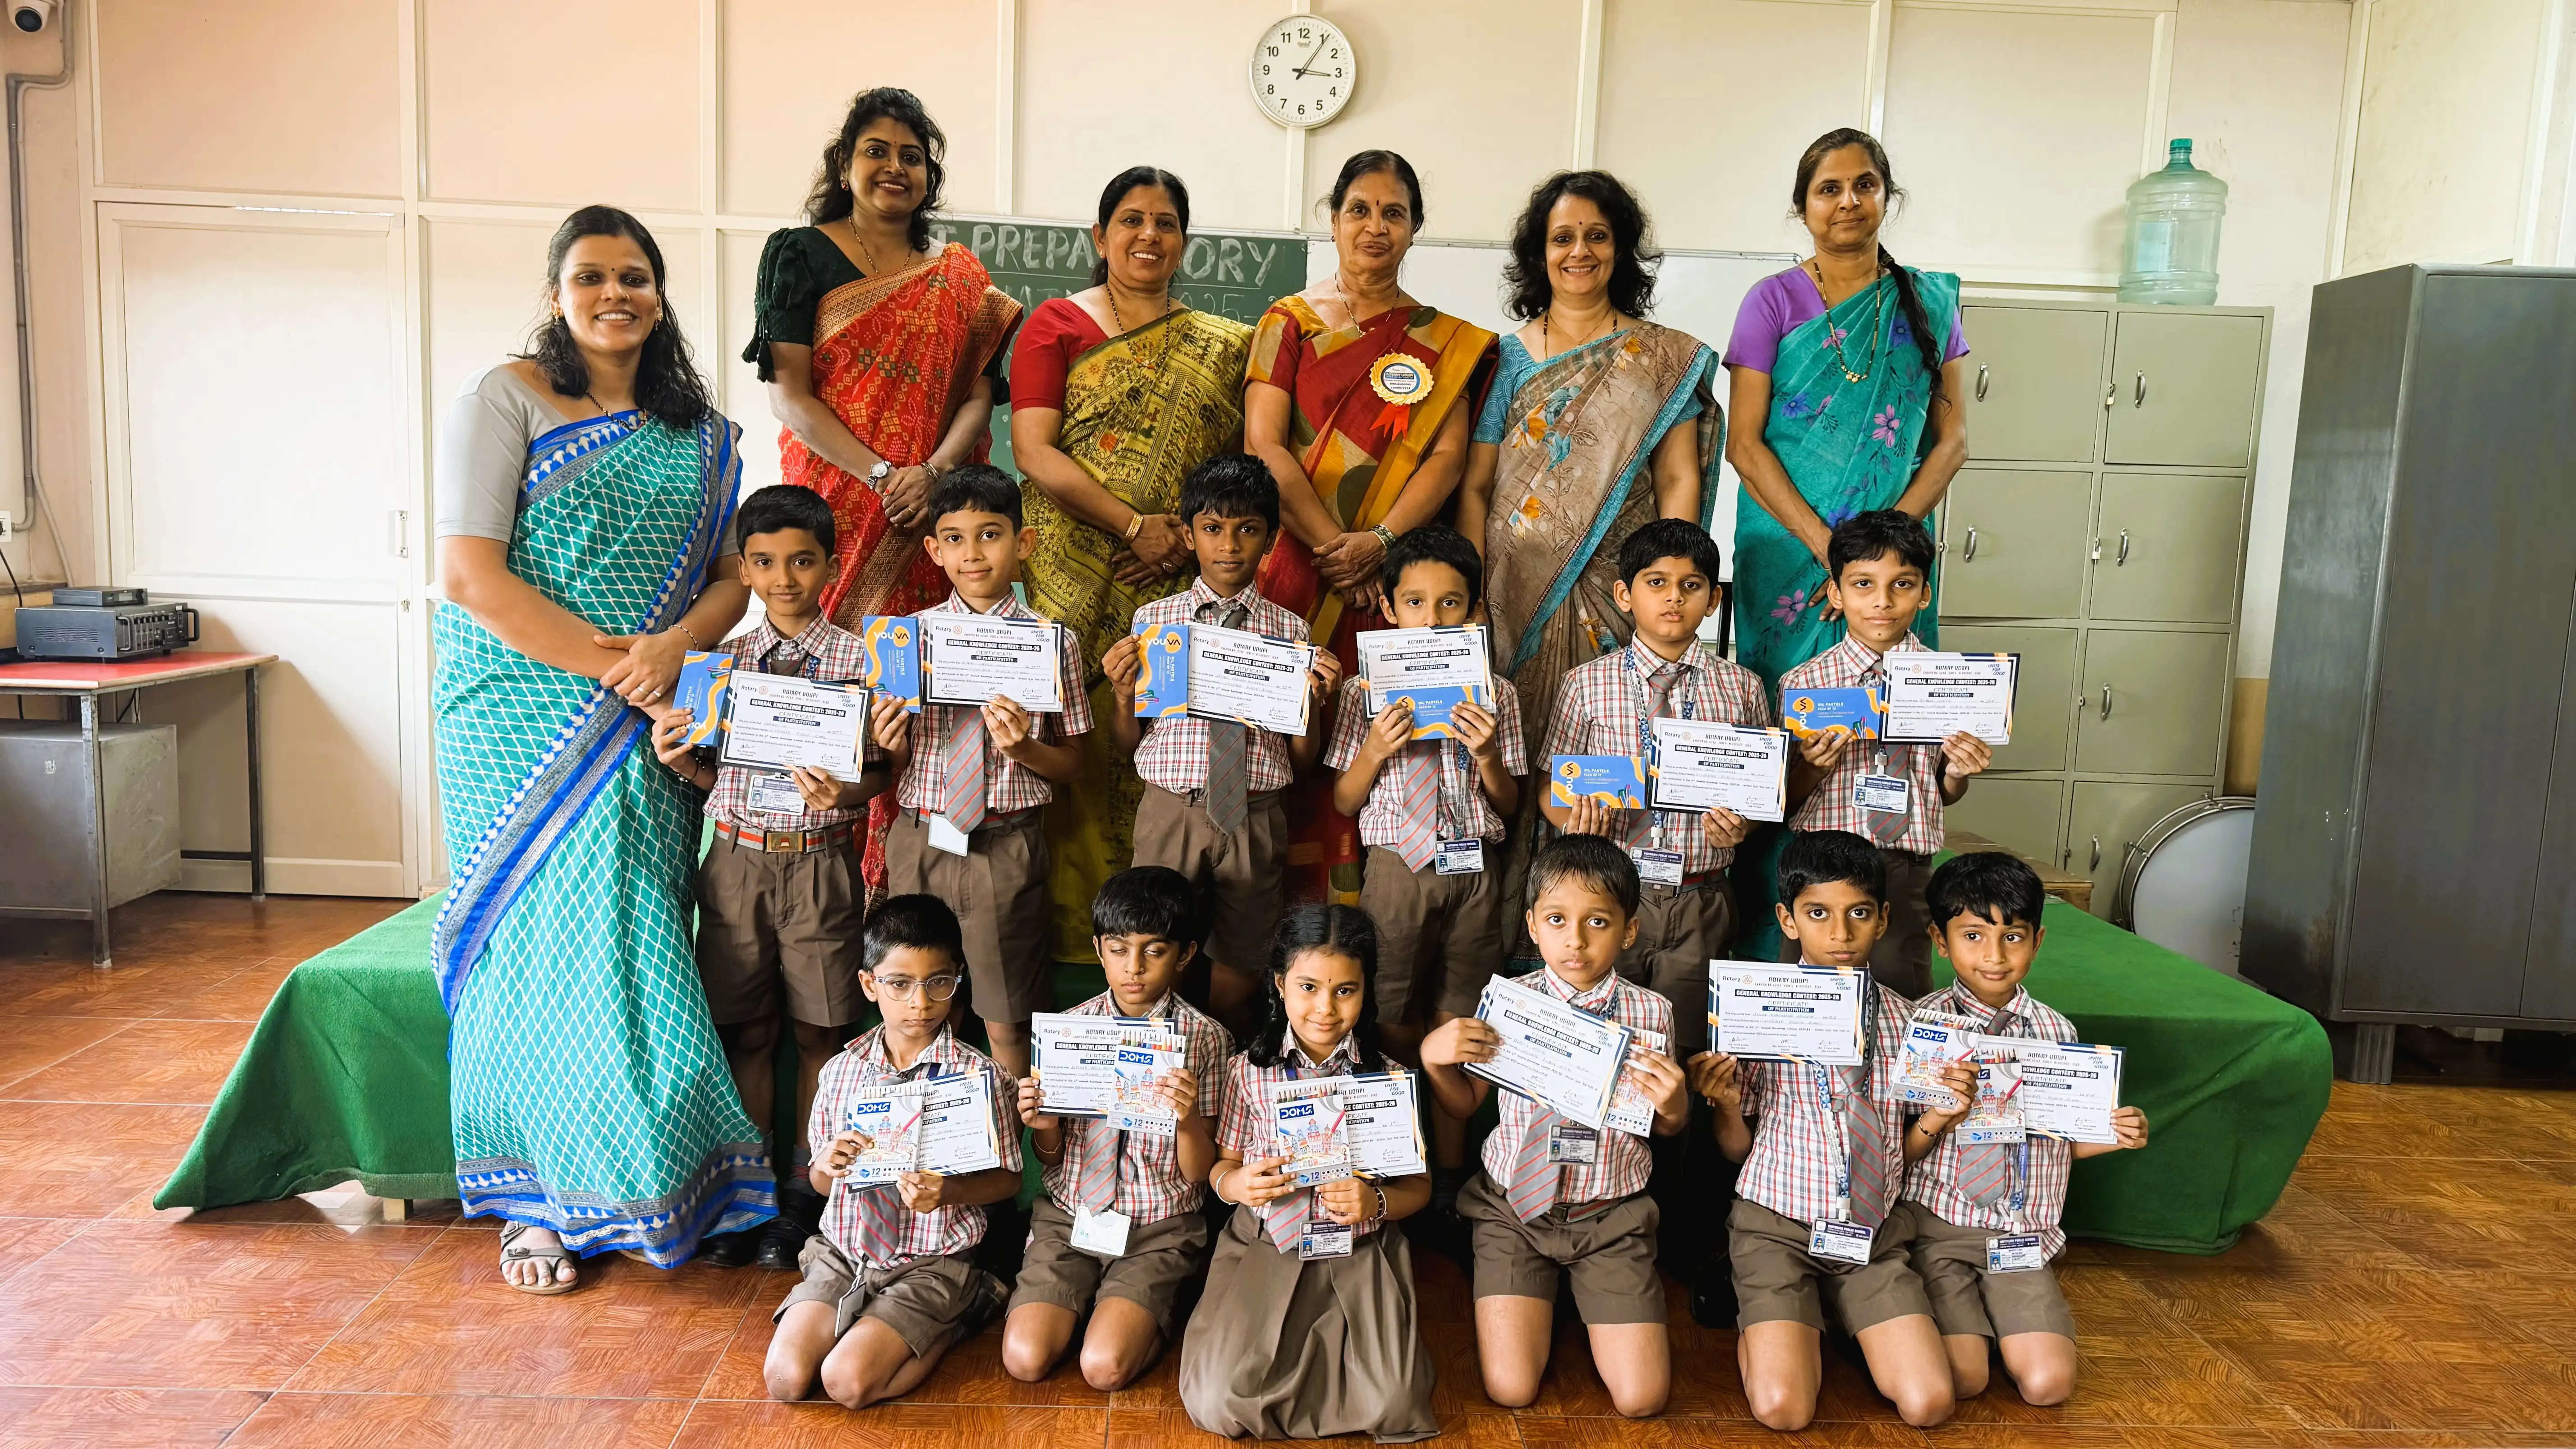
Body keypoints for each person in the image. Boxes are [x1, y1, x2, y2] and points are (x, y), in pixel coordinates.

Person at [432, 205, 769, 1292]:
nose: (614, 293)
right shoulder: (508, 397)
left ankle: (658, 1174)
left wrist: (670, 651)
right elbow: (472, 576)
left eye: (635, 276)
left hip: (655, 700)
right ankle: (535, 1202)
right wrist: (612, 667)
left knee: (631, 932)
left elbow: (733, 576)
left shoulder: (703, 433)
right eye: (591, 277)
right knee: (538, 945)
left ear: (661, 295)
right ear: (556, 294)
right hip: (518, 709)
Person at [744, 86, 1024, 899]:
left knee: (922, 694)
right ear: (845, 162)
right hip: (835, 509)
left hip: (929, 519)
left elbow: (979, 394)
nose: (894, 168)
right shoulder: (798, 253)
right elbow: (790, 392)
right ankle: (823, 880)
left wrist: (931, 475)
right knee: (830, 684)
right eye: (877, 150)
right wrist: (877, 474)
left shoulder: (958, 275)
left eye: (912, 155)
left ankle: (915, 884)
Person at [1013, 168, 1256, 967]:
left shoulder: (1225, 342)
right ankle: (1079, 943)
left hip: (1180, 575)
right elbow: (1033, 449)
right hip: (1077, 573)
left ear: (1184, 240)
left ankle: (1167, 938)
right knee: (1080, 725)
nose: (1147, 235)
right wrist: (1131, 524)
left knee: (1166, 720)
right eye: (1129, 220)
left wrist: (1182, 538)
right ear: (1100, 237)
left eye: (1164, 222)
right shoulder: (1055, 323)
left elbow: (1232, 469)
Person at [1246, 149, 1499, 905]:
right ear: (1332, 220)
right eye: (1359, 208)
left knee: (1383, 746)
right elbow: (1264, 445)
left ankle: (1365, 922)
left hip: (1391, 593)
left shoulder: (1442, 342)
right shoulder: (1285, 322)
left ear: (1416, 227)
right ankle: (1279, 951)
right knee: (1288, 740)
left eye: (1393, 212)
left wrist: (1379, 545)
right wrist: (1334, 547)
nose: (1375, 226)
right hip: (1295, 573)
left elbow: (1448, 458)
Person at [650, 483, 888, 1272]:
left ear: (827, 564)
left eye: (800, 561)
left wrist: (845, 791)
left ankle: (806, 1191)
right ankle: (747, 1193)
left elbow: (877, 772)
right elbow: (707, 770)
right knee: (745, 1029)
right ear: (745, 570)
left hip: (821, 863)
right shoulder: (717, 666)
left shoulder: (861, 659)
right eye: (763, 562)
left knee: (823, 1031)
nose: (783, 578)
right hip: (737, 864)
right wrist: (682, 761)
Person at [1455, 169, 1721, 791]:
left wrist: (1662, 583)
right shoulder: (1505, 357)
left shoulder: (1661, 359)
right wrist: (1472, 594)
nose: (1579, 252)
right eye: (1563, 238)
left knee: (1612, 748)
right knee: (1508, 753)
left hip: (1619, 592)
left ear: (1621, 249)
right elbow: (1474, 486)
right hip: (1514, 593)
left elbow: (1679, 475)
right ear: (1539, 253)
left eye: (1597, 236)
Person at [1691, 830, 1963, 1431]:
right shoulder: (1757, 1012)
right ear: (1788, 921)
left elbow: (1907, 1148)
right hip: (1777, 1229)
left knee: (1929, 1402)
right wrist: (1728, 1105)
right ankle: (1772, 1308)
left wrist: (1941, 1118)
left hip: (1869, 1235)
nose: (1840, 934)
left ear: (1884, 919)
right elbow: (1737, 1150)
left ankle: (1835, 1308)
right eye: (1819, 914)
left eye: (1858, 914)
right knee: (1783, 1409)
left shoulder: (1909, 1022)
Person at [1420, 835, 1688, 1418]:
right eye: (1558, 920)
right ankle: (1543, 1292)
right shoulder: (1510, 1002)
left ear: (1630, 930)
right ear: (1533, 926)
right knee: (1511, 1388)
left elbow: (1664, 1128)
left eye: (1598, 921)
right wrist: (1435, 1059)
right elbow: (1464, 1105)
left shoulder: (1652, 1014)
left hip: (1610, 1216)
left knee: (1642, 1399)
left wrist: (1675, 1104)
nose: (1576, 939)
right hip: (1514, 1211)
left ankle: (1583, 1290)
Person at [1894, 851, 2151, 1407]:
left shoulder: (2057, 1031)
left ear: (2038, 940)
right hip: (1941, 1230)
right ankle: (1966, 1324)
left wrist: (2112, 1134)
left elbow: (2056, 1143)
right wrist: (1941, 1114)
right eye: (1973, 936)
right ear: (1941, 941)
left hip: (2019, 1238)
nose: (1994, 955)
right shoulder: (1923, 1025)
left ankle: (1999, 1319)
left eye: (2013, 937)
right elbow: (1900, 1152)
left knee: (2048, 1385)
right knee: (1965, 1380)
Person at [1178, 905, 1439, 1443]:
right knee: (1218, 1399)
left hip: (1359, 1250)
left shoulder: (1388, 1078)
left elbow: (1420, 1188)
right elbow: (1221, 1169)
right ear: (1280, 984)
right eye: (1309, 987)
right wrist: (1237, 1184)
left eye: (1345, 990)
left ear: (1366, 990)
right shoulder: (1248, 1072)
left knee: (1393, 1402)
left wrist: (1377, 1204)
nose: (1325, 1008)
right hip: (1267, 1242)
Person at [1104, 456, 1343, 1037]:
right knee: (1157, 970)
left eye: (1247, 529)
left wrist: (1312, 705)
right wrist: (1120, 693)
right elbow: (1128, 741)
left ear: (1270, 539)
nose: (1229, 545)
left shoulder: (1290, 633)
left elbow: (1301, 758)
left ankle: (1224, 1092)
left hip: (1255, 816)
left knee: (1240, 976)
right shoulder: (1155, 623)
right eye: (1212, 529)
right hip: (1171, 810)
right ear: (1189, 535)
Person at [1725, 127, 1969, 695]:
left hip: (1893, 553)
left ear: (1888, 196)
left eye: (1866, 185)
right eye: (1829, 189)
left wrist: (1882, 550)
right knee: (1786, 705)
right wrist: (1826, 546)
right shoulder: (1772, 301)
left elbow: (1952, 443)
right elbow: (1744, 444)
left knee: (1894, 704)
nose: (1848, 201)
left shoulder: (1930, 302)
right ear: (1804, 208)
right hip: (1786, 542)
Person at [870, 465, 1091, 1082]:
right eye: (957, 538)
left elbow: (1073, 762)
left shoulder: (1054, 644)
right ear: (935, 551)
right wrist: (887, 745)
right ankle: (929, 1134)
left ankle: (1013, 1161)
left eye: (990, 534)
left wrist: (1024, 750)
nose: (974, 553)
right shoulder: (905, 641)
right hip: (922, 838)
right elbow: (889, 761)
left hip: (1003, 843)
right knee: (918, 1007)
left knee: (1004, 1013)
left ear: (1023, 544)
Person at [1325, 524, 1525, 1198]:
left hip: (1474, 873)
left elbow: (1511, 800)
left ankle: (1452, 1180)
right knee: (1391, 1014)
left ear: (1473, 612)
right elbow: (1345, 797)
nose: (1432, 617)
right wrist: (1376, 749)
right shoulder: (1363, 692)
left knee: (1459, 1023)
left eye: (1450, 604)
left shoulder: (1498, 692)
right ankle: (1398, 1162)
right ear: (1387, 608)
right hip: (1396, 871)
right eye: (1415, 602)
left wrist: (1490, 756)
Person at [764, 896, 1021, 1409]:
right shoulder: (840, 1072)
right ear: (869, 984)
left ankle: (954, 1318)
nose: (920, 1004)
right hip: (844, 1253)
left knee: (848, 1384)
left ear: (958, 980)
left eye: (938, 983)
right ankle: (876, 1322)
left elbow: (1009, 1180)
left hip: (933, 1260)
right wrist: (826, 1164)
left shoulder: (980, 1077)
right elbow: (820, 1186)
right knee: (786, 1379)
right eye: (899, 985)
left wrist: (950, 1191)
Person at [1537, 519, 1768, 1058]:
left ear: (1713, 600)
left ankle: (1674, 1143)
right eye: (1656, 583)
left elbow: (1759, 798)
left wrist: (1744, 824)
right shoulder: (1585, 683)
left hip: (1701, 894)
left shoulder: (1742, 688)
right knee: (1597, 1039)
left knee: (1685, 1047)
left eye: (1691, 586)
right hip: (1608, 896)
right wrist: (1568, 821)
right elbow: (1551, 785)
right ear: (1625, 594)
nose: (1673, 598)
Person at [1003, 866, 1235, 1391]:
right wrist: (1043, 1126)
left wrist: (1188, 1118)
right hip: (1071, 1218)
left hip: (1161, 1225)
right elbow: (1052, 1159)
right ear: (1098, 949)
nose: (1134, 968)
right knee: (1025, 1359)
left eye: (1155, 951)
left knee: (1103, 1368)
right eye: (1118, 948)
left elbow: (1199, 1174)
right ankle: (1091, 1302)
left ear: (1186, 955)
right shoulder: (1070, 1031)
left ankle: (1151, 1308)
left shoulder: (1206, 1041)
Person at [1780, 510, 1991, 996]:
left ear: (1925, 593)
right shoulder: (1804, 684)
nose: (1881, 602)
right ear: (1836, 593)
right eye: (1862, 584)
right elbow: (1784, 799)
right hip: (1821, 866)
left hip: (1903, 868)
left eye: (1902, 585)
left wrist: (1960, 771)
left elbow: (1944, 790)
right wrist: (1812, 767)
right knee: (1809, 1005)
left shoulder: (1949, 684)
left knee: (1902, 998)